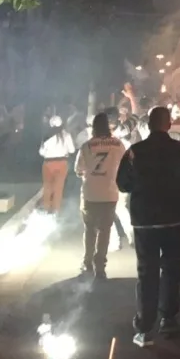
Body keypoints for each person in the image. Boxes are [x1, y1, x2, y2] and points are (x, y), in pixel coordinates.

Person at [116, 107, 180, 347]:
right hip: (172, 218)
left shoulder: (134, 152)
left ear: (149, 124)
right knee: (172, 268)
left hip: (143, 221)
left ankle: (144, 327)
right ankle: (169, 320)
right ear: (169, 123)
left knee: (147, 272)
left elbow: (123, 184)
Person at [74, 113, 127, 279]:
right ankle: (100, 266)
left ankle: (87, 262)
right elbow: (126, 167)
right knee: (105, 231)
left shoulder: (87, 146)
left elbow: (78, 170)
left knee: (89, 229)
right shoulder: (118, 145)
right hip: (110, 193)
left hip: (90, 193)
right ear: (108, 126)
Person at [39, 116, 75, 215]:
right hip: (62, 163)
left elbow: (41, 152)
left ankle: (46, 209)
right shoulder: (66, 135)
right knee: (58, 187)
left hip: (48, 163)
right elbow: (72, 150)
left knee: (47, 186)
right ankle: (56, 210)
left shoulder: (46, 136)